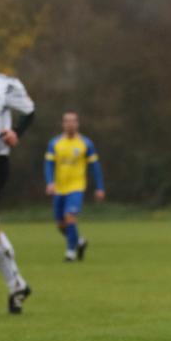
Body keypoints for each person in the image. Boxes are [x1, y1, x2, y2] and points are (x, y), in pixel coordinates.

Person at [44, 111, 105, 262]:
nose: (70, 124)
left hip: (77, 187)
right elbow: (48, 165)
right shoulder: (55, 143)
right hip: (59, 188)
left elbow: (95, 166)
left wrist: (100, 187)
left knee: (70, 217)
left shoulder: (86, 143)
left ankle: (70, 252)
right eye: (67, 121)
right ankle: (79, 242)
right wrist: (50, 182)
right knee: (60, 224)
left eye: (73, 121)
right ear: (63, 124)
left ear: (77, 124)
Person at [0, 71, 35, 314]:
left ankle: (16, 283)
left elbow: (30, 110)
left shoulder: (6, 85)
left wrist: (16, 133)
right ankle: (16, 284)